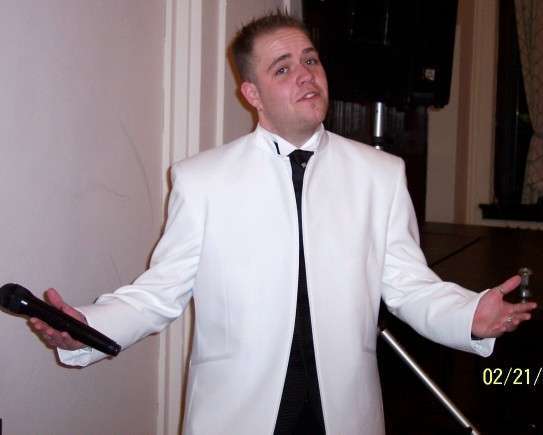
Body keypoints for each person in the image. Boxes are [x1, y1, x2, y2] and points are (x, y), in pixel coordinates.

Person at [29, 11, 536, 435]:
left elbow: (408, 287)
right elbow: (157, 294)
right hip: (237, 416)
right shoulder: (201, 181)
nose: (306, 75)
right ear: (252, 93)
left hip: (344, 416)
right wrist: (86, 329)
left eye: (311, 61)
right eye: (283, 68)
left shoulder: (380, 175)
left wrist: (469, 315)